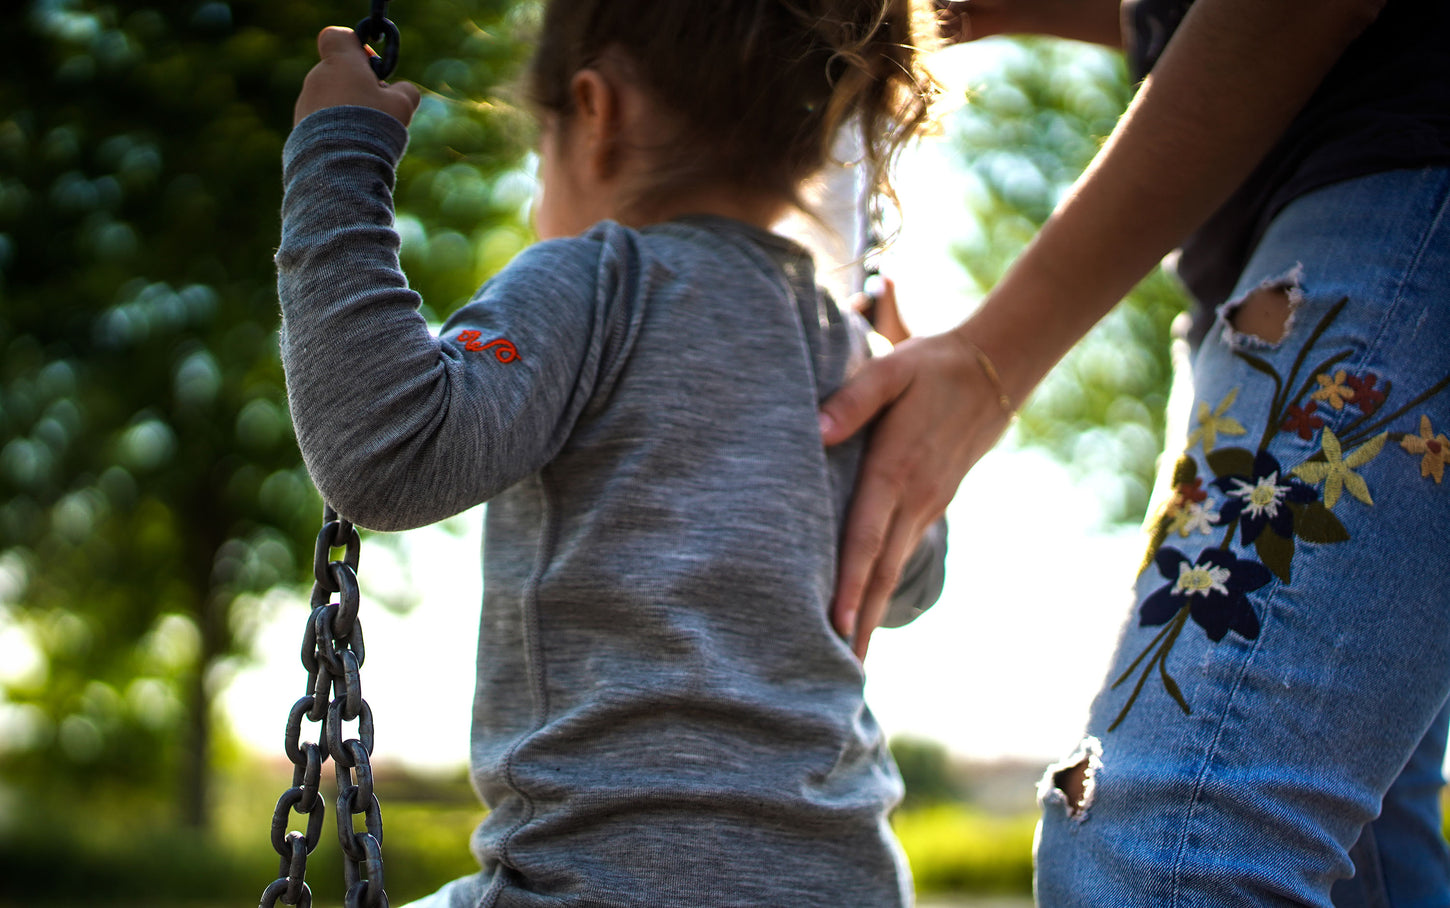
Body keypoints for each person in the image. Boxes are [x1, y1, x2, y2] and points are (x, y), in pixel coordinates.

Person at [276, 2, 947, 905]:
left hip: (606, 877)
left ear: (597, 112)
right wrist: (901, 397)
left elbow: (384, 454)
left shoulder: (596, 282)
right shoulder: (847, 351)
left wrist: (336, 162)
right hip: (848, 880)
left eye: (536, 150)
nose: (533, 194)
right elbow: (908, 583)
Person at [821, 0, 1450, 902]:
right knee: (1360, 852)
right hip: (1275, 265)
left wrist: (990, 361)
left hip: (1392, 196)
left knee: (1164, 850)